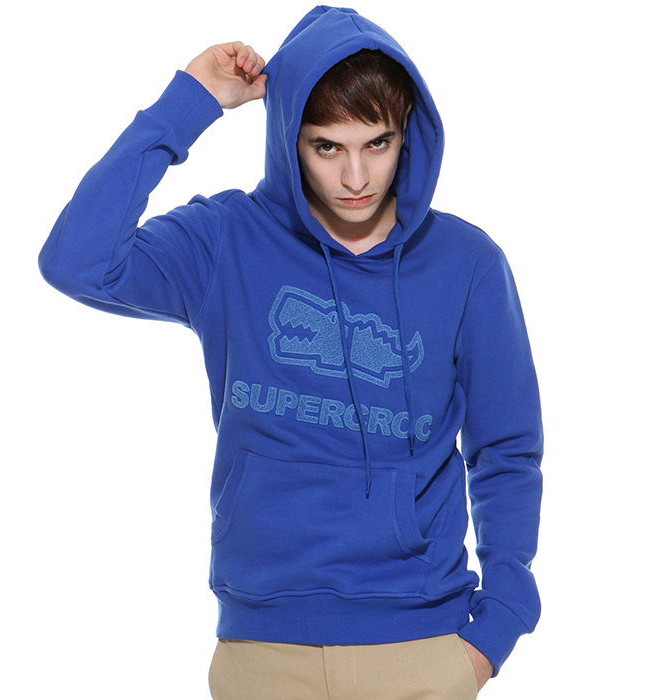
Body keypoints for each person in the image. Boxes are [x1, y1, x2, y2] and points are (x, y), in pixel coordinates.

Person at [39, 6, 543, 699]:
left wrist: (498, 626)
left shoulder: (466, 263)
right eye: (327, 147)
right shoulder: (226, 241)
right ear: (288, 140)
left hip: (423, 646)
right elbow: (77, 260)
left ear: (408, 132)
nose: (357, 176)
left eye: (378, 142)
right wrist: (190, 103)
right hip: (262, 652)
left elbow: (507, 450)